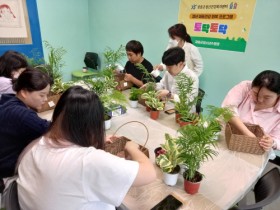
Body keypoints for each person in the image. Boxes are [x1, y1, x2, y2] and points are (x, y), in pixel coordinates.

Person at [17, 86, 157, 210]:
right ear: (93, 125)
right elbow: (149, 174)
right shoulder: (88, 161)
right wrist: (132, 148)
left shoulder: (38, 144)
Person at [0, 68, 51, 178]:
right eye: (42, 95)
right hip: (6, 175)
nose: (46, 99)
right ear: (24, 92)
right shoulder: (21, 114)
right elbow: (51, 130)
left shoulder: (9, 101)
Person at [222, 70, 280, 151]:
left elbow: (278, 140)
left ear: (278, 95)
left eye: (267, 97)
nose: (259, 100)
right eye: (255, 93)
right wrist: (249, 134)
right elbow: (228, 109)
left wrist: (272, 142)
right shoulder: (245, 86)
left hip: (254, 148)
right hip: (225, 133)